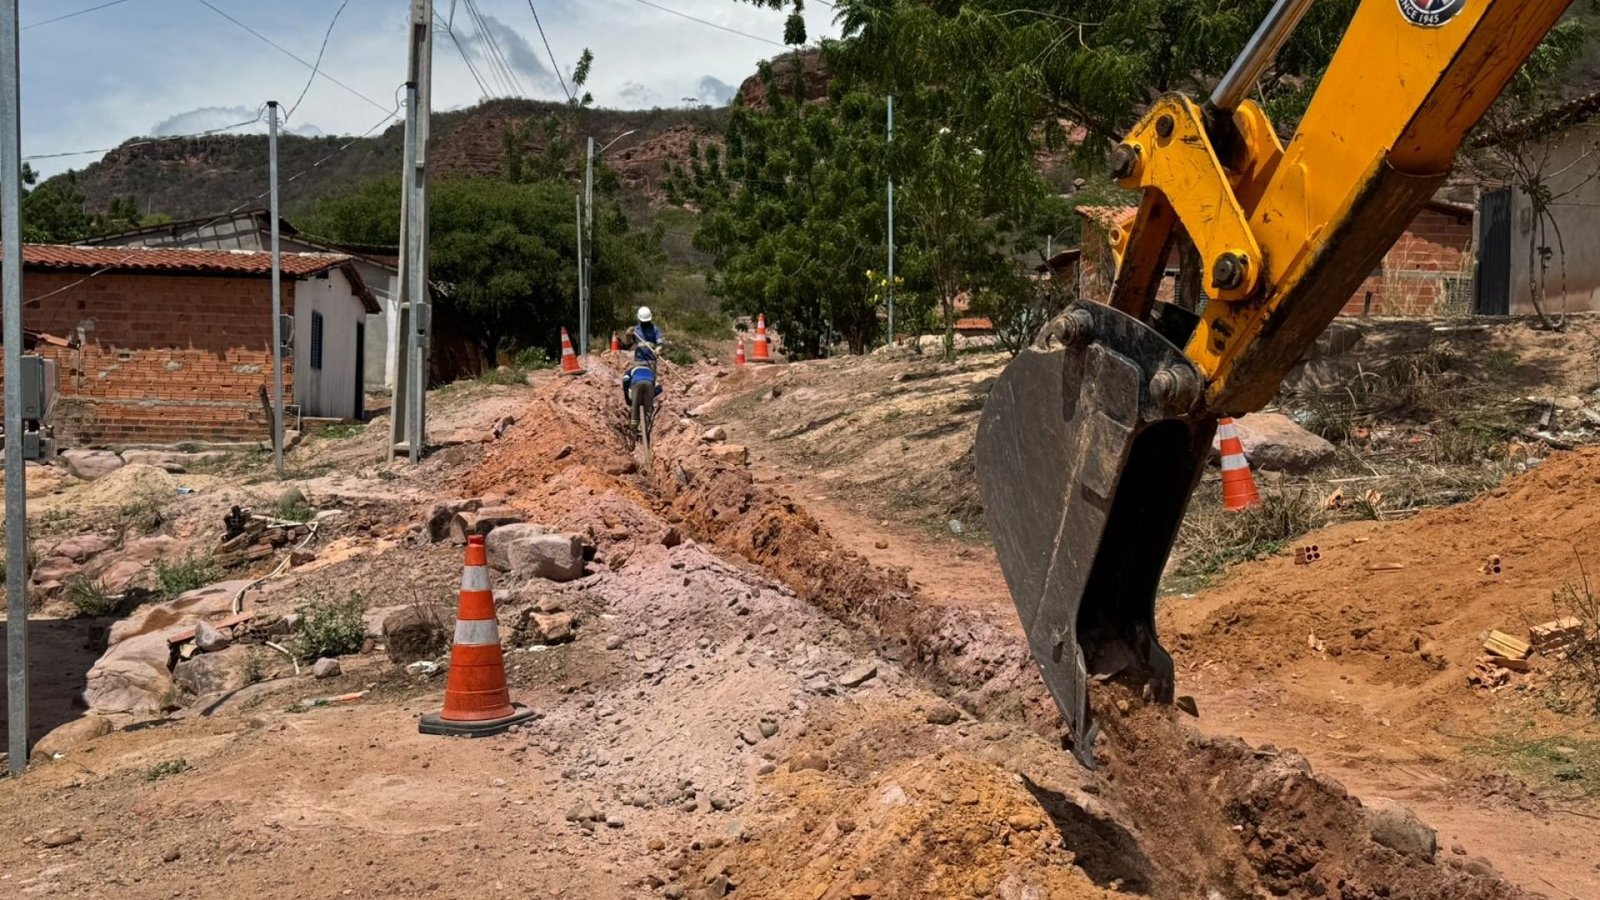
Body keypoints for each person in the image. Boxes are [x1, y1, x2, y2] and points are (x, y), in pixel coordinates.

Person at [620, 306, 664, 405]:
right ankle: (633, 399)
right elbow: (627, 345)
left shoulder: (655, 329)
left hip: (651, 361)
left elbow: (660, 343)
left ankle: (649, 402)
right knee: (636, 381)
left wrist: (658, 349)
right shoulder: (635, 330)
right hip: (639, 360)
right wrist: (627, 335)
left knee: (651, 383)